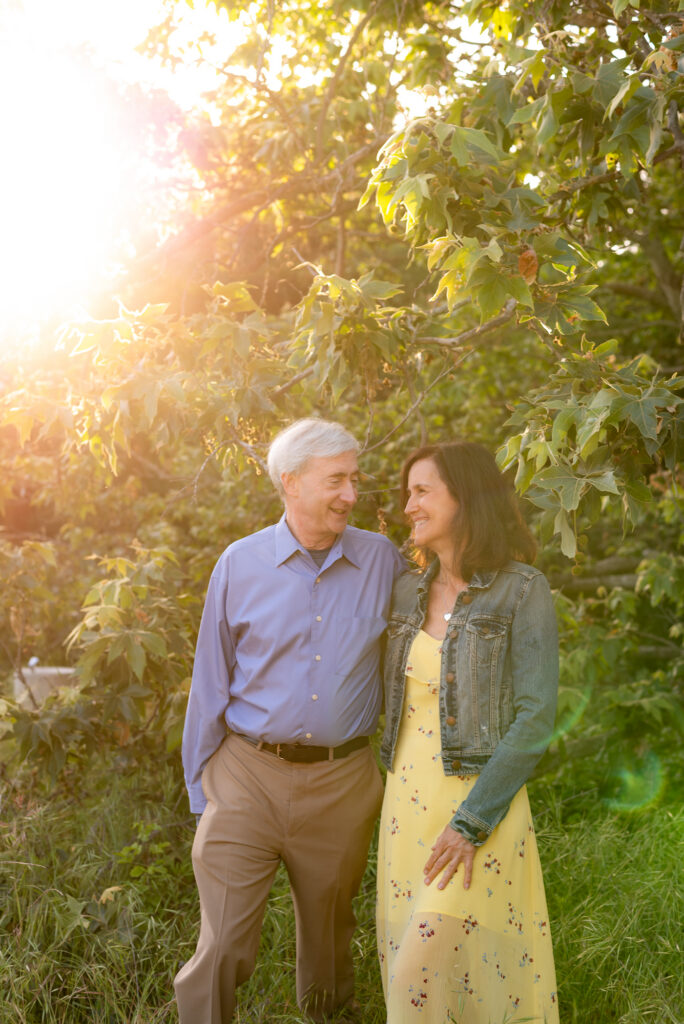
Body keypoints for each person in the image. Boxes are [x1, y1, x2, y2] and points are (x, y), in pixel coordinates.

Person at [174, 417, 405, 1024]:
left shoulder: (383, 561)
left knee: (330, 951)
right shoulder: (239, 563)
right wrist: (202, 790)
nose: (351, 495)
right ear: (291, 483)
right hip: (246, 776)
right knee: (221, 945)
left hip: (343, 781)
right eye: (336, 481)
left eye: (355, 479)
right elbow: (210, 680)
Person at [376, 441, 560, 1024]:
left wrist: (472, 823)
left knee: (418, 980)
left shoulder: (522, 589)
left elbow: (536, 718)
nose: (409, 505)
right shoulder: (405, 590)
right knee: (430, 988)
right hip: (406, 808)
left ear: (465, 496)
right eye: (409, 492)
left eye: (422, 490)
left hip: (479, 811)